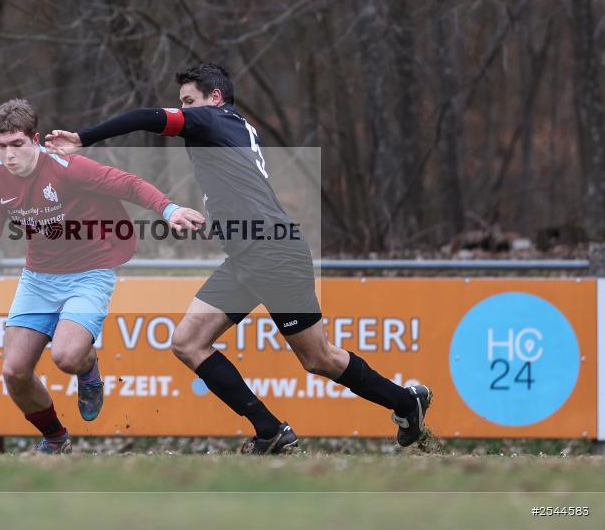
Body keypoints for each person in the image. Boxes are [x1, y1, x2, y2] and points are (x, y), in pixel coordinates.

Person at [46, 63, 431, 453]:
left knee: (319, 358)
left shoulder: (212, 120)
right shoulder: (233, 127)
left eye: (188, 101)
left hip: (272, 253)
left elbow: (149, 118)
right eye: (183, 104)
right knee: (188, 341)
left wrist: (83, 137)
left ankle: (404, 402)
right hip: (249, 255)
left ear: (215, 98)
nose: (184, 109)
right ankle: (269, 430)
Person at [0, 98, 203, 453]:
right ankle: (55, 438)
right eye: (1, 146)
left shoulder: (66, 168)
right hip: (38, 279)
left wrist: (168, 209)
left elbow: (129, 184)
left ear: (35, 139)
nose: (9, 155)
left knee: (66, 357)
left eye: (17, 144)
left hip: (88, 275)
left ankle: (88, 370)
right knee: (14, 372)